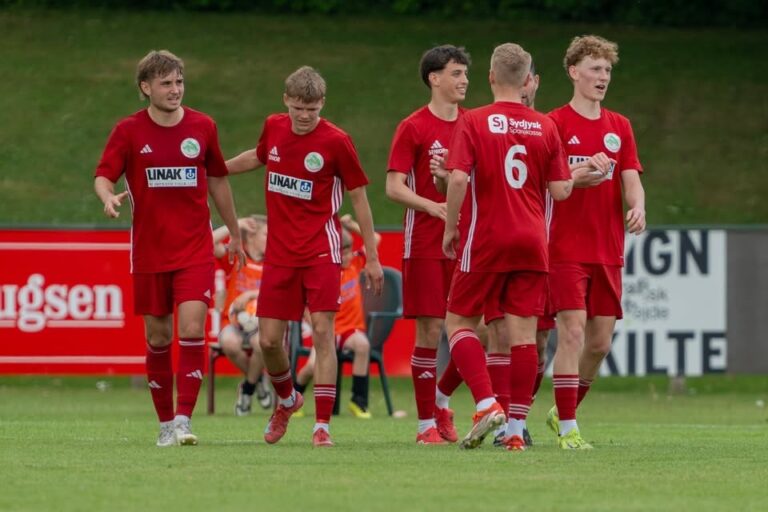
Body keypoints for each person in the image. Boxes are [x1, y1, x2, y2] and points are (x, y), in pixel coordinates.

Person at [226, 66, 384, 447]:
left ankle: (322, 426)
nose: (304, 116)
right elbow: (258, 155)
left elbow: (359, 197)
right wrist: (214, 168)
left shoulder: (337, 141)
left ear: (322, 105)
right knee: (268, 342)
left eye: (312, 109)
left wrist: (373, 256)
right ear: (286, 101)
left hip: (321, 252)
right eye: (298, 108)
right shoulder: (274, 127)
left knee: (325, 334)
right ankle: (287, 399)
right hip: (280, 256)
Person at [93, 50, 244, 447]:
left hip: (195, 247)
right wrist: (107, 197)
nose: (175, 90)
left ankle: (183, 419)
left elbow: (218, 182)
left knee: (193, 328)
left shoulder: (203, 126)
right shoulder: (128, 131)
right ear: (146, 88)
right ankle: (163, 424)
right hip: (149, 251)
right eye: (165, 83)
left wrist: (234, 231)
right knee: (159, 338)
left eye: (179, 82)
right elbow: (103, 176)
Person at [442, 43, 573, 451]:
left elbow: (459, 179)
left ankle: (485, 405)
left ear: (491, 77)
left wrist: (451, 226)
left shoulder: (474, 120)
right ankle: (515, 431)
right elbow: (559, 191)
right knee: (523, 338)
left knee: (459, 322)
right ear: (528, 81)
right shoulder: (547, 126)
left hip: (487, 237)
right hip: (533, 241)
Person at [546, 35, 646, 449]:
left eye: (607, 70)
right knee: (570, 333)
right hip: (563, 247)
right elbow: (545, 188)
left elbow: (631, 178)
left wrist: (638, 206)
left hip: (607, 248)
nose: (602, 77)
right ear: (573, 72)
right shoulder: (553, 124)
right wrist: (576, 178)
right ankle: (569, 429)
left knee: (600, 343)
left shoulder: (618, 126)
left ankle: (560, 411)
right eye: (594, 69)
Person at [386, 44, 470, 445]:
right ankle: (424, 427)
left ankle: (441, 397)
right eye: (456, 73)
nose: (464, 80)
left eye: (466, 74)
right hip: (423, 241)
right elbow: (392, 187)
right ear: (434, 78)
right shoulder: (413, 126)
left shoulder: (473, 124)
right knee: (431, 329)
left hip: (469, 241)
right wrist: (432, 206)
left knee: (480, 329)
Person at [294, 215, 382, 419]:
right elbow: (305, 306)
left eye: (349, 251)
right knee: (310, 366)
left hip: (350, 330)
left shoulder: (355, 265)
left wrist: (351, 225)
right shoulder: (325, 272)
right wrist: (314, 324)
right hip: (327, 331)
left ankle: (358, 401)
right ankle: (294, 400)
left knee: (363, 345)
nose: (348, 257)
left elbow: (375, 239)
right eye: (343, 253)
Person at [212, 214, 273, 416]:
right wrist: (235, 224)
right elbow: (209, 242)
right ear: (251, 236)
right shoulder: (237, 257)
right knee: (229, 342)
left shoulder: (274, 263)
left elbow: (283, 293)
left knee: (260, 343)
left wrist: (252, 294)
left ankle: (247, 389)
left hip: (262, 324)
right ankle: (259, 380)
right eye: (266, 234)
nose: (271, 238)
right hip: (234, 324)